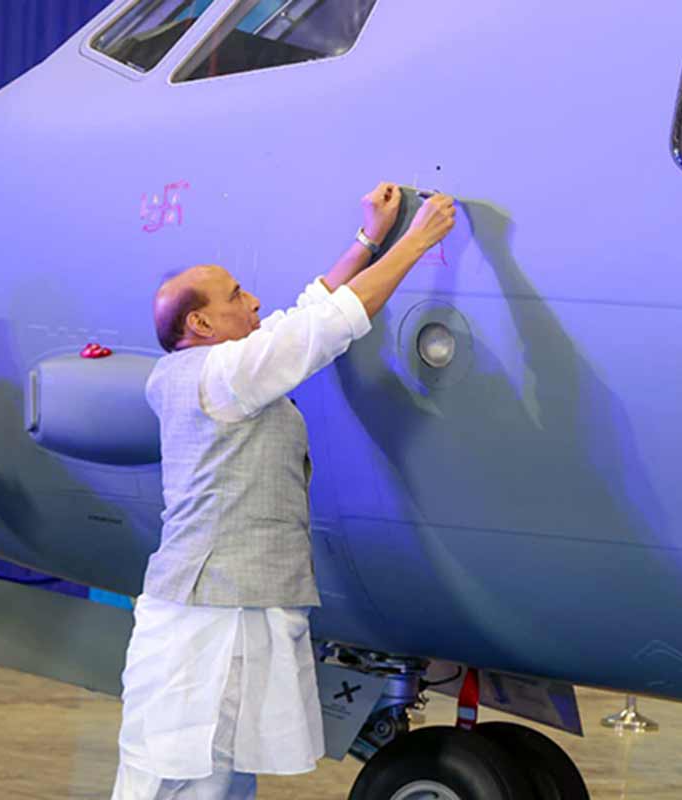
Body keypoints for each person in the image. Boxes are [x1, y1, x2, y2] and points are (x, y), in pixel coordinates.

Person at [111, 184, 456, 799]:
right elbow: (329, 325)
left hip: (225, 612)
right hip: (212, 623)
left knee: (221, 777)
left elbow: (307, 313)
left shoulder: (202, 371)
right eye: (238, 296)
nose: (255, 301)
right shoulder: (223, 373)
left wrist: (368, 239)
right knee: (194, 778)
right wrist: (419, 240)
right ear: (201, 323)